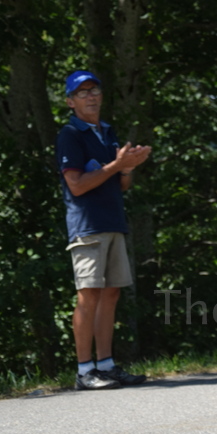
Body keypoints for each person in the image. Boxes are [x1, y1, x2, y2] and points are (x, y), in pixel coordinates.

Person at [55, 70, 152, 390]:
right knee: (89, 296)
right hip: (87, 226)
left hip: (113, 222)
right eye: (82, 93)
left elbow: (121, 185)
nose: (91, 96)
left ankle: (106, 365)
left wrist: (127, 167)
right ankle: (85, 371)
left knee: (111, 294)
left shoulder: (107, 132)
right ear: (71, 102)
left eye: (94, 90)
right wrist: (115, 166)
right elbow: (77, 185)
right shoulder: (69, 134)